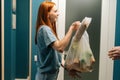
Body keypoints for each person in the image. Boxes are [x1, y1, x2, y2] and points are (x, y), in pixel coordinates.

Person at [34, 1, 81, 80]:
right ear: (47, 14)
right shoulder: (44, 29)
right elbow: (60, 47)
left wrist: (67, 68)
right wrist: (71, 28)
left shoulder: (48, 29)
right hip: (45, 76)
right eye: (55, 11)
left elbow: (57, 54)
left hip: (50, 75)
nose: (58, 13)